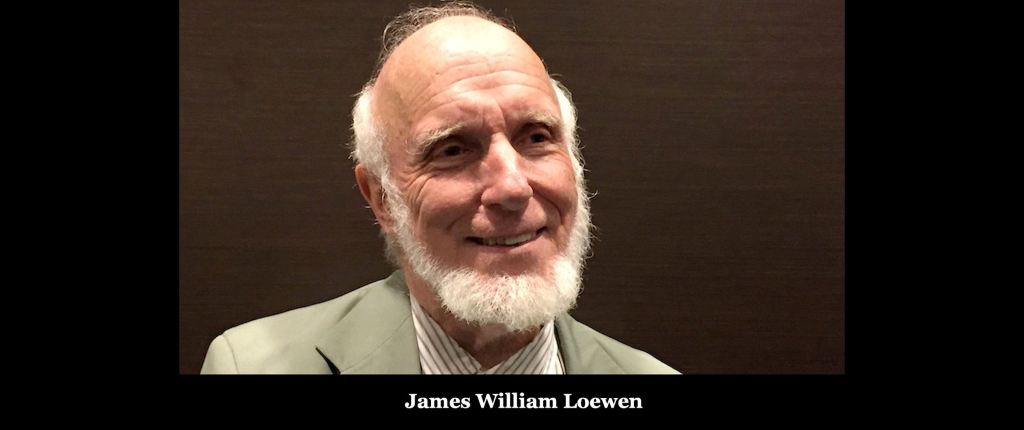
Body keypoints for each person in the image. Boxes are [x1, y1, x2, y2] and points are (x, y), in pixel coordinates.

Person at [201, 1, 679, 374]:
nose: (513, 187)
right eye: (452, 150)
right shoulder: (252, 367)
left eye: (536, 138)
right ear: (382, 199)